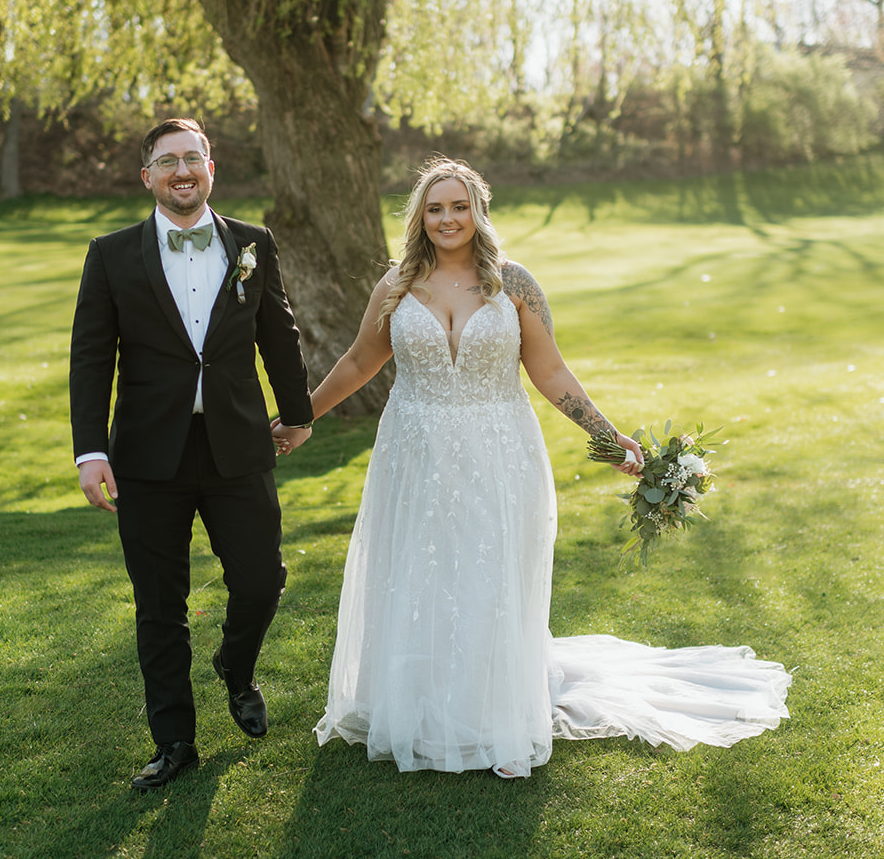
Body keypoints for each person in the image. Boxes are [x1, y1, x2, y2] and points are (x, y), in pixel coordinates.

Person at [294, 157, 790, 778]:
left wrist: (611, 439)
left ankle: (493, 711)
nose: (448, 218)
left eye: (459, 206)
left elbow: (550, 371)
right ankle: (418, 705)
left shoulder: (513, 284)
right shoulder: (395, 285)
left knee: (490, 571)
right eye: (435, 207)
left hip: (499, 451)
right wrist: (302, 417)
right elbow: (359, 361)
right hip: (414, 453)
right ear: (420, 216)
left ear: (479, 211)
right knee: (420, 572)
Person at [70, 118, 316, 790]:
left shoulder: (252, 245)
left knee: (262, 579)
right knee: (160, 604)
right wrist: (91, 449)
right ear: (147, 175)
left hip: (238, 443)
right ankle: (175, 739)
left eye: (192, 158)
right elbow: (92, 359)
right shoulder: (112, 254)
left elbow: (279, 332)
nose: (181, 171)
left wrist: (297, 414)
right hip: (148, 456)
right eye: (166, 161)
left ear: (211, 167)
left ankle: (236, 667)